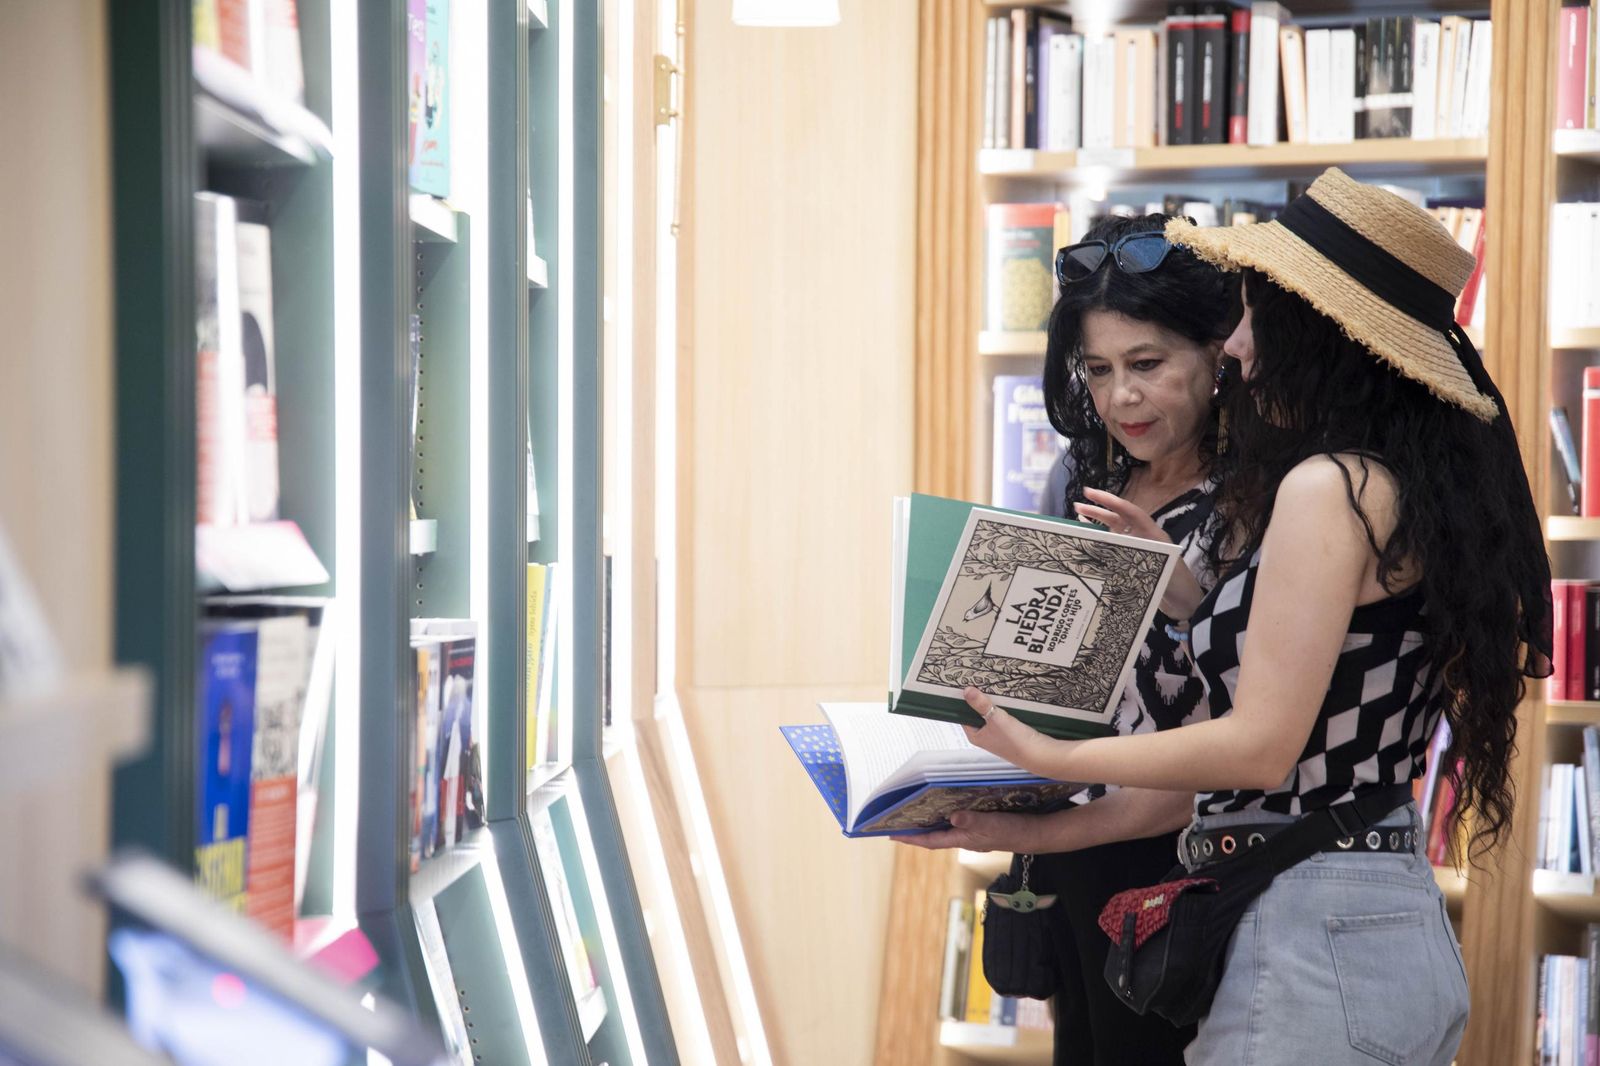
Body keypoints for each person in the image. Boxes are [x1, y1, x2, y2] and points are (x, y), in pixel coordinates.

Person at [942, 169, 1551, 1064]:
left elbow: (1263, 742)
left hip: (1310, 920)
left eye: (1256, 312)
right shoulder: (1399, 481)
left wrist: (1051, 757)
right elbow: (1332, 667)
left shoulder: (1322, 486)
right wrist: (1184, 592)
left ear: (1315, 333)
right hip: (1371, 905)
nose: (1236, 342)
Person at [903, 211, 1240, 1065]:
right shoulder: (1083, 476)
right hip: (1074, 863)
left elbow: (1232, 749)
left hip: (1184, 878)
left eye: (1148, 365)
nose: (1121, 396)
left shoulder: (1265, 501)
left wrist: (1183, 595)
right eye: (1097, 369)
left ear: (1217, 352)